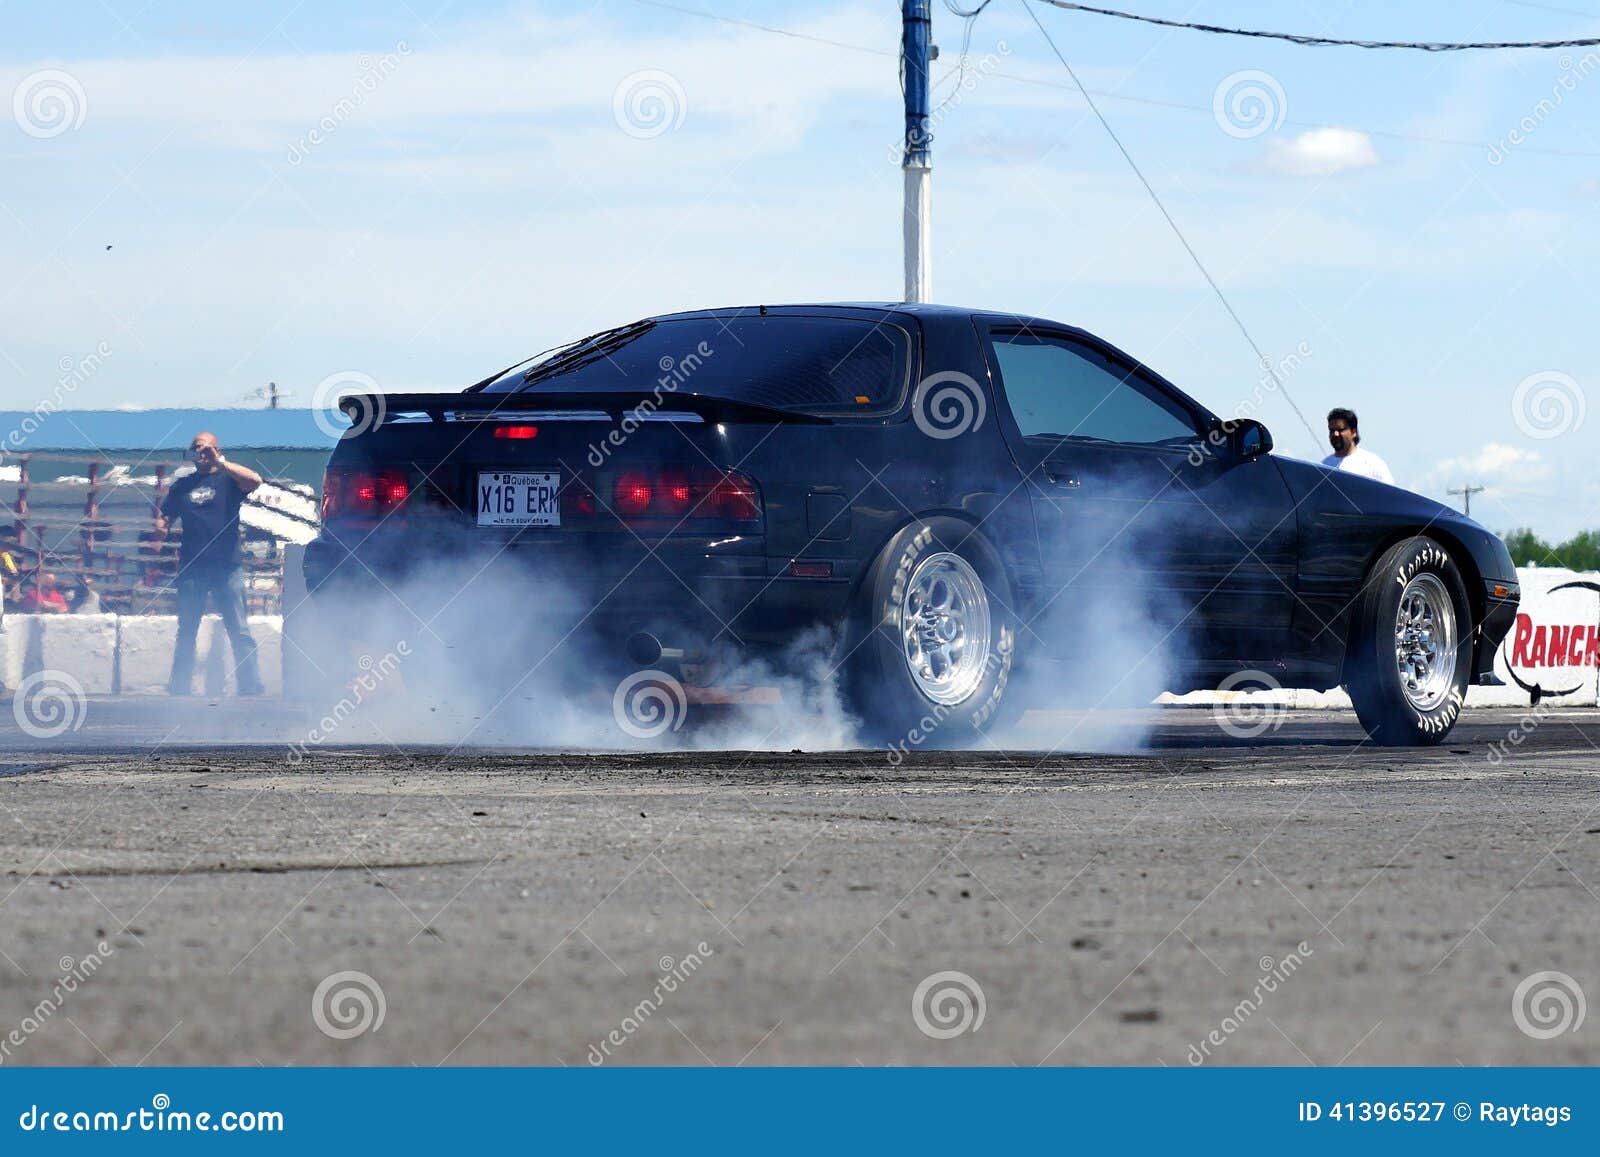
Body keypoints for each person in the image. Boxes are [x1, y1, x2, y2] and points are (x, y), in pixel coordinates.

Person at [156, 433, 266, 695]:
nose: (201, 453)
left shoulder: (229, 479)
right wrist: (160, 530)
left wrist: (221, 461)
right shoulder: (182, 485)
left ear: (217, 450)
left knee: (239, 630)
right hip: (192, 566)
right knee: (187, 630)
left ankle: (250, 686)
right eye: (196, 448)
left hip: (227, 565)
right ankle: (179, 686)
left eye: (206, 449)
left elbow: (255, 481)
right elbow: (165, 516)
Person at [1322, 407, 1394, 484]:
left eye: (1340, 430)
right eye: (1332, 430)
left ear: (1353, 432)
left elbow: (1390, 493)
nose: (1335, 434)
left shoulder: (1373, 463)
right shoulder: (1324, 466)